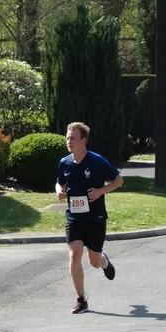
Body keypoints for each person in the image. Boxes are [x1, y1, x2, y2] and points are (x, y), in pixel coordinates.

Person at [55, 122, 124, 314]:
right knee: (74, 254)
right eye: (67, 137)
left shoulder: (97, 161)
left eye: (73, 138)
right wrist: (59, 191)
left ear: (83, 140)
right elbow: (59, 182)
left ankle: (104, 262)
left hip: (95, 218)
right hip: (74, 218)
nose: (69, 141)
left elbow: (118, 180)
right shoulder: (64, 162)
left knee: (94, 261)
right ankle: (81, 299)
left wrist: (101, 191)